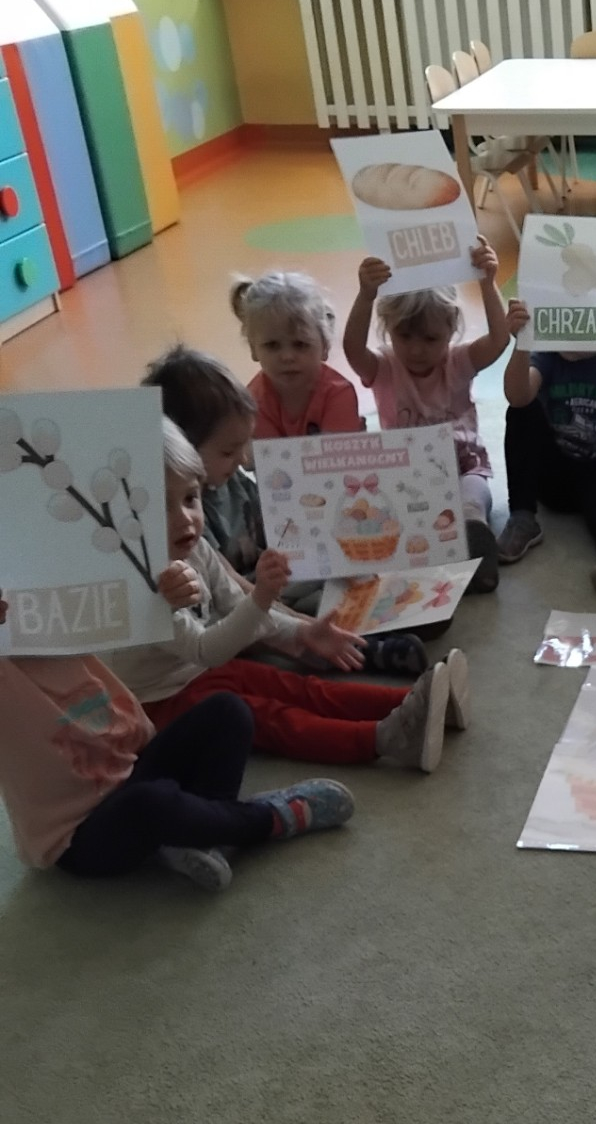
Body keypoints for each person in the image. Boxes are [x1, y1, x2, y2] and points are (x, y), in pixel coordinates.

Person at [104, 420, 466, 775]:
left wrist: (299, 632)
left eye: (190, 498)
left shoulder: (196, 549)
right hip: (161, 704)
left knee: (301, 688)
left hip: (201, 674)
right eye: (160, 507)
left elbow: (235, 604)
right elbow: (206, 649)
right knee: (272, 718)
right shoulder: (134, 581)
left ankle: (417, 701)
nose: (185, 518)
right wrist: (262, 598)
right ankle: (381, 739)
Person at [0, 592, 355, 893]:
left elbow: (112, 597)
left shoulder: (48, 611)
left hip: (133, 767)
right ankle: (269, 818)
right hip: (78, 835)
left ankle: (204, 830)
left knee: (227, 710)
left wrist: (161, 594)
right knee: (152, 802)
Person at [142, 347, 428, 673]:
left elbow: (286, 532)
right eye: (228, 451)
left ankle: (377, 618)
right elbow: (235, 592)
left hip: (269, 584)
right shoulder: (187, 517)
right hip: (239, 606)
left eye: (245, 444)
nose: (243, 460)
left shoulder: (235, 481)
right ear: (183, 451)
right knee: (273, 623)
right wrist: (300, 623)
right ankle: (362, 648)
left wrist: (338, 562)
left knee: (332, 573)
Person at [343, 240, 510, 593]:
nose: (416, 349)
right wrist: (366, 295)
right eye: (404, 336)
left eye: (431, 339)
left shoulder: (459, 361)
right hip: (406, 478)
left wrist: (487, 282)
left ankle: (475, 544)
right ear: (388, 328)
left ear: (451, 329)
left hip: (464, 467)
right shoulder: (385, 367)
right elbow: (353, 350)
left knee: (472, 500)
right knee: (389, 518)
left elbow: (498, 340)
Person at [497, 295, 596, 592]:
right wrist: (522, 344)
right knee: (521, 411)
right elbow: (518, 396)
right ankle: (522, 517)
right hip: (552, 476)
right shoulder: (548, 354)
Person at [232, 270, 363, 439]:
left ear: (325, 346)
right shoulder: (252, 402)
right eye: (272, 345)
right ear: (253, 349)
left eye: (300, 345)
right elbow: (271, 455)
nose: (287, 357)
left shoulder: (338, 393)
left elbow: (337, 453)